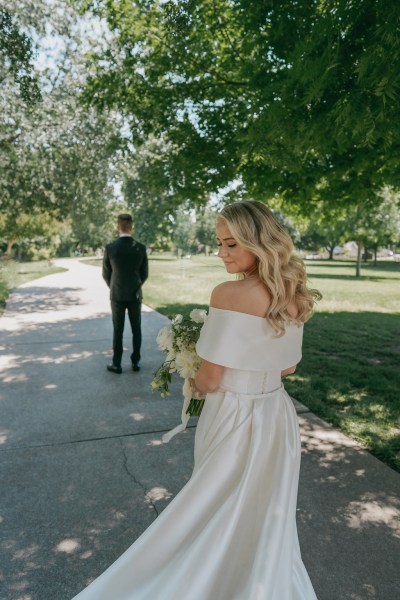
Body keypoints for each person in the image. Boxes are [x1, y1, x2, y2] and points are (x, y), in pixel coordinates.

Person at [72, 201, 321, 599]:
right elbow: (288, 368)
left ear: (259, 244)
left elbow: (210, 379)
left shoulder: (228, 293)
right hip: (276, 415)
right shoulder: (293, 294)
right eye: (220, 243)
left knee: (211, 502)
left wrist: (191, 372)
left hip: (233, 414)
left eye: (231, 245)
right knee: (264, 511)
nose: (222, 253)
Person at [102, 213, 148, 374]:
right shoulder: (140, 248)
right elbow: (145, 273)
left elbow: (106, 274)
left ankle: (117, 363)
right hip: (135, 294)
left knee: (118, 329)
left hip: (117, 294)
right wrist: (135, 286)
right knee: (137, 328)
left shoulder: (110, 248)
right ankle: (136, 362)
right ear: (131, 227)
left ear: (118, 226)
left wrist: (114, 286)